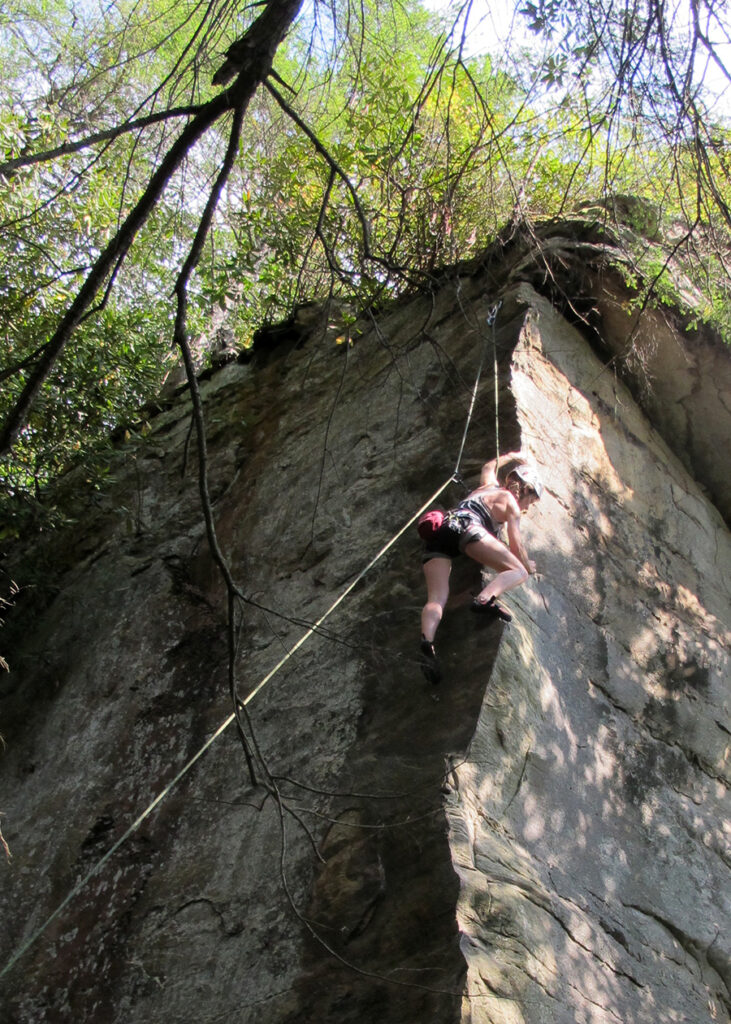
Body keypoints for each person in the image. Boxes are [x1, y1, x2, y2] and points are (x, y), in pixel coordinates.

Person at [419, 452, 543, 683]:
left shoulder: (488, 486)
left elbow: (489, 464)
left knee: (436, 598)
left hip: (442, 529)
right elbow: (516, 548)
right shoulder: (511, 505)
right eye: (531, 501)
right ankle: (485, 599)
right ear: (526, 489)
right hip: (468, 528)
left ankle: (427, 642)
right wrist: (529, 565)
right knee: (519, 571)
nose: (528, 507)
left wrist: (512, 455)